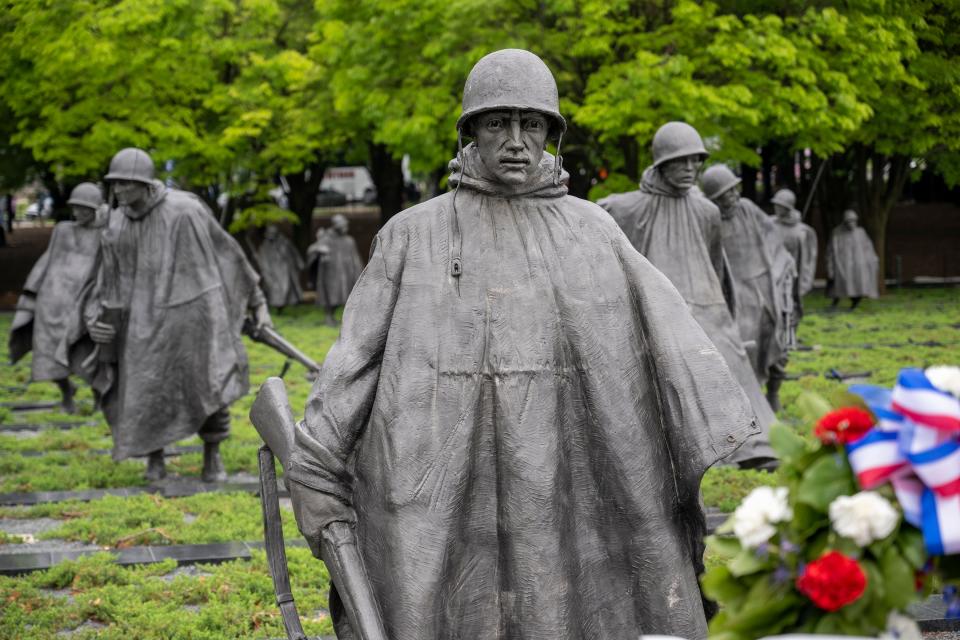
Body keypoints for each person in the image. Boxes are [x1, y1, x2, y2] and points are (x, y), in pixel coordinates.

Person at [286, 49, 759, 640]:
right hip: (442, 481)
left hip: (569, 479)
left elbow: (670, 345)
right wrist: (315, 462)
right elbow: (353, 361)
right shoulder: (413, 235)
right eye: (497, 123)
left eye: (531, 124)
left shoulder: (593, 230)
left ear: (551, 135)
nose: (515, 140)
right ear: (471, 133)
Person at [86, 148, 272, 482]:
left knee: (209, 385)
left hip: (194, 316)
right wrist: (94, 319)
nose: (119, 191)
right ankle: (154, 458)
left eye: (126, 184)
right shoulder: (115, 223)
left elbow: (227, 254)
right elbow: (104, 279)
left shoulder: (185, 210)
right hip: (139, 324)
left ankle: (212, 456)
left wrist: (258, 302)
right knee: (145, 390)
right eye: (115, 184)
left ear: (145, 183)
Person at [599, 122, 776, 467]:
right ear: (662, 164)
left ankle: (752, 445)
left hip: (708, 305)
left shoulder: (707, 212)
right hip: (657, 306)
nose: (690, 170)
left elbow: (716, 263)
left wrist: (724, 310)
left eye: (695, 162)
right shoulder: (629, 208)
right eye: (681, 162)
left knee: (730, 366)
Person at [702, 164, 797, 411]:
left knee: (776, 339)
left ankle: (773, 394)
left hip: (766, 285)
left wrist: (782, 268)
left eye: (734, 191)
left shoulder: (748, 209)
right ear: (714, 200)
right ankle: (748, 400)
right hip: (735, 293)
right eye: (725, 196)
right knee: (745, 347)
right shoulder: (709, 219)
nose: (732, 198)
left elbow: (773, 241)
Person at [8, 183, 106, 412]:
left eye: (84, 208)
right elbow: (47, 259)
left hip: (83, 301)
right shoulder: (62, 229)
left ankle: (99, 397)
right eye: (75, 208)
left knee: (87, 352)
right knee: (47, 352)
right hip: (51, 301)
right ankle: (66, 394)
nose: (78, 213)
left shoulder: (104, 234)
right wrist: (32, 291)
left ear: (94, 209)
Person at [770, 188, 818, 335]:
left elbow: (809, 259)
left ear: (788, 208)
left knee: (791, 305)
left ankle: (791, 333)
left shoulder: (803, 231)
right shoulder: (769, 225)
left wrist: (805, 281)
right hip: (772, 274)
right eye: (775, 205)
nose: (776, 208)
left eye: (780, 206)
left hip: (792, 276)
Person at [305, 214, 362, 326]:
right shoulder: (326, 238)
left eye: (346, 225)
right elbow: (310, 251)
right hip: (330, 273)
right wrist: (318, 248)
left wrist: (360, 272)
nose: (346, 227)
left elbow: (356, 258)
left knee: (346, 295)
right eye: (343, 225)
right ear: (336, 225)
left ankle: (344, 319)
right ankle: (328, 316)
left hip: (346, 272)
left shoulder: (349, 240)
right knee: (331, 295)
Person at [826, 209, 879, 309]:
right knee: (839, 285)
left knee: (857, 286)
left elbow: (868, 247)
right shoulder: (837, 233)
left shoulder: (861, 232)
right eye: (849, 221)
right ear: (845, 222)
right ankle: (834, 304)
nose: (852, 223)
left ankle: (855, 303)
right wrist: (830, 266)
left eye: (853, 221)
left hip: (858, 265)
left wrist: (872, 259)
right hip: (842, 265)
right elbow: (831, 250)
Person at [256, 224, 304, 311]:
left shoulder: (285, 242)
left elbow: (293, 252)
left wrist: (300, 263)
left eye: (273, 233)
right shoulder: (264, 246)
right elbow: (262, 260)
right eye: (270, 233)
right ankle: (278, 307)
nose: (271, 235)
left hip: (285, 269)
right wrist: (265, 271)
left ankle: (283, 306)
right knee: (275, 290)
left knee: (287, 288)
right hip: (272, 271)